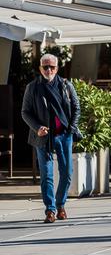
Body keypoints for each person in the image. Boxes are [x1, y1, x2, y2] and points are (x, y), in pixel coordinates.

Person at [21, 53, 80, 223]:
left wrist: (71, 129)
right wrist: (37, 127)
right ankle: (50, 209)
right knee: (47, 175)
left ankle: (61, 204)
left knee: (67, 173)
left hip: (64, 135)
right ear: (40, 68)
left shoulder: (66, 85)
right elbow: (25, 112)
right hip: (43, 137)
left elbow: (76, 108)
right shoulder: (32, 87)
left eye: (51, 67)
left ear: (57, 68)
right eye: (45, 67)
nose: (48, 70)